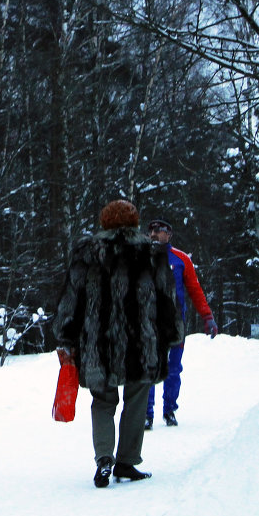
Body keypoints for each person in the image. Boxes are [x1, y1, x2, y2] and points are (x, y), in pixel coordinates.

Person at [51, 200, 184, 488]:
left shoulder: (87, 251)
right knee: (136, 400)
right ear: (135, 222)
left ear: (104, 222)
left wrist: (64, 335)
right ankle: (126, 461)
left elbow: (71, 298)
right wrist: (173, 334)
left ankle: (103, 459)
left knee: (103, 401)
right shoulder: (152, 252)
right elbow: (166, 300)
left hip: (98, 341)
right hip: (143, 341)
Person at [144, 217, 219, 430]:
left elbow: (195, 289)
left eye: (158, 230)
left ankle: (169, 409)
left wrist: (207, 316)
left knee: (173, 368)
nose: (153, 234)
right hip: (149, 322)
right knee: (149, 367)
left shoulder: (181, 259)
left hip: (176, 322)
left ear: (169, 234)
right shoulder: (141, 256)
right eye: (150, 230)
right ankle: (146, 413)